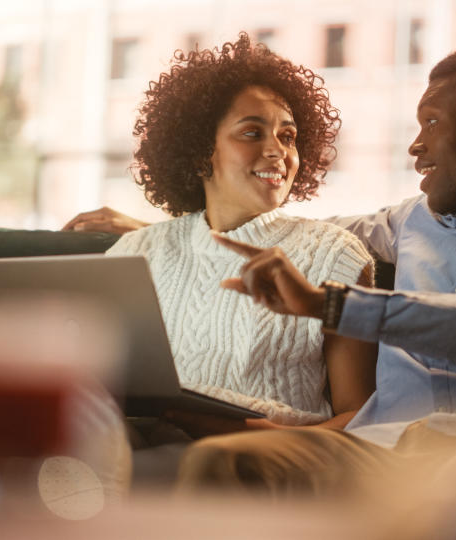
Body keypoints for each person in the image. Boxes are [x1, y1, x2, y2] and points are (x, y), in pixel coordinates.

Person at [69, 42, 456, 526]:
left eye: (431, 123)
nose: (415, 146)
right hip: (375, 446)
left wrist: (331, 305)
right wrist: (162, 230)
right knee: (222, 465)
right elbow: (282, 227)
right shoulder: (407, 222)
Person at [94, 33, 377, 434]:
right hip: (144, 438)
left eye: (288, 136)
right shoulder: (136, 250)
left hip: (267, 458)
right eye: (252, 132)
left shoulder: (336, 255)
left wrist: (278, 438)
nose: (278, 150)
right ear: (198, 151)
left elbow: (363, 418)